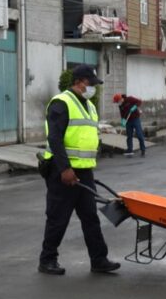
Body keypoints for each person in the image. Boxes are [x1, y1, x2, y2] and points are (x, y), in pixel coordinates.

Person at [38, 64, 121, 276]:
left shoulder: (89, 106)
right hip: (62, 171)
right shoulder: (61, 103)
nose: (93, 88)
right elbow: (55, 138)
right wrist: (65, 169)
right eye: (90, 83)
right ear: (79, 82)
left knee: (90, 217)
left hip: (84, 171)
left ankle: (99, 260)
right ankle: (47, 260)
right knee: (58, 217)